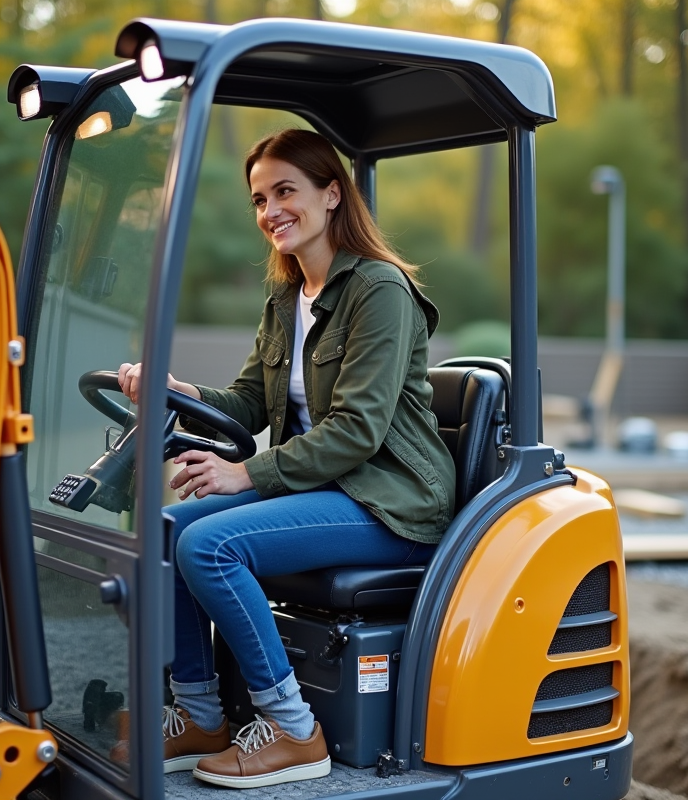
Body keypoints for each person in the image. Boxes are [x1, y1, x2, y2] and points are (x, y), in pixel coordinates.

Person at [116, 129, 454, 789]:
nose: (270, 210)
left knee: (209, 546)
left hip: (390, 501)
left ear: (331, 195)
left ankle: (294, 730)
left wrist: (244, 474)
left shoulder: (379, 290)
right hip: (324, 489)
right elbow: (248, 401)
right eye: (259, 199)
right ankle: (201, 715)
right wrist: (179, 392)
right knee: (165, 530)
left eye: (284, 191)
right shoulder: (286, 296)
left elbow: (357, 430)